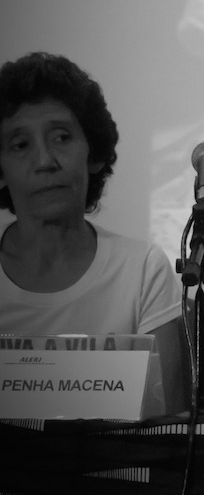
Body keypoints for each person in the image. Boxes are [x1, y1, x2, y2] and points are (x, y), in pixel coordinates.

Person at [0, 52, 186, 414]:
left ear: (93, 154)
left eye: (61, 137)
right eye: (20, 145)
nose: (45, 161)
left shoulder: (142, 269)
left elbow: (168, 424)